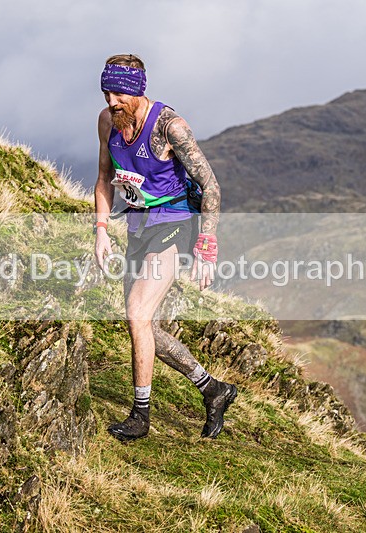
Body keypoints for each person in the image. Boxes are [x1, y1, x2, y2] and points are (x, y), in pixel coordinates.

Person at [93, 54, 237, 441]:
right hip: (138, 225)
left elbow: (211, 186)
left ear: (138, 91)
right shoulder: (107, 121)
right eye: (106, 92)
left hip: (175, 224)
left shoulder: (170, 127)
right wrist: (101, 230)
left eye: (119, 94)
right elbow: (104, 177)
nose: (111, 101)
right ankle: (213, 389)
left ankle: (140, 417)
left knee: (137, 313)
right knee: (145, 327)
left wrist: (207, 247)